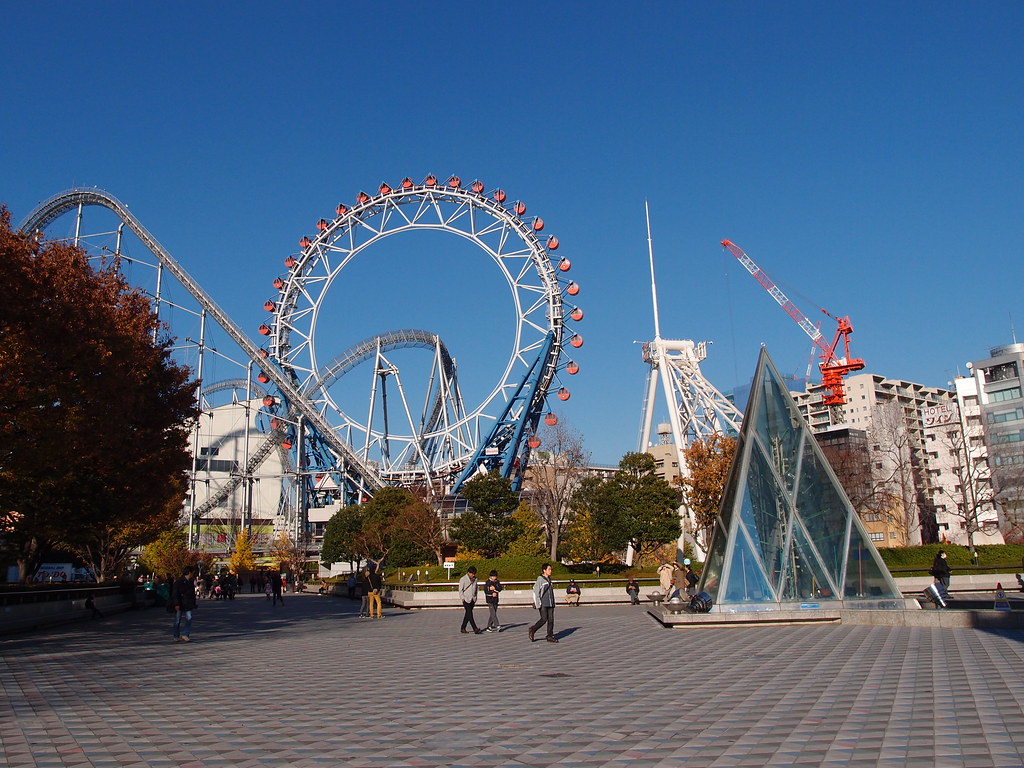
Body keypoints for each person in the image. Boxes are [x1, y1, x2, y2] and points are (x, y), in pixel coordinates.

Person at [528, 563, 558, 643]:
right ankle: (532, 629)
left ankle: (550, 636)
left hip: (551, 603)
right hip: (543, 603)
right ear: (544, 570)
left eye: (551, 569)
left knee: (551, 620)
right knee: (544, 619)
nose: (550, 571)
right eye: (549, 569)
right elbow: (536, 591)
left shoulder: (549, 579)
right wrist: (537, 603)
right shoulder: (540, 579)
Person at [171, 565, 198, 643]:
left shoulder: (191, 581)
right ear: (189, 572)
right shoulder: (179, 581)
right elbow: (175, 593)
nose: (193, 574)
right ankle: (176, 636)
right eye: (192, 572)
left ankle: (185, 634)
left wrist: (194, 603)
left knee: (189, 618)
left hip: (188, 603)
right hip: (180, 603)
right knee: (177, 620)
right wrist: (176, 604)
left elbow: (192, 593)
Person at [458, 566, 482, 634]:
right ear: (468, 572)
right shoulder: (463, 579)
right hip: (466, 599)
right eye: (471, 573)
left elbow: (476, 588)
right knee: (470, 614)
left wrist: (475, 597)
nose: (473, 575)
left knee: (468, 614)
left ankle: (463, 627)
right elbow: (460, 590)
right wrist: (462, 598)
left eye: (474, 574)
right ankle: (475, 628)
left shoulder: (475, 579)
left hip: (472, 599)